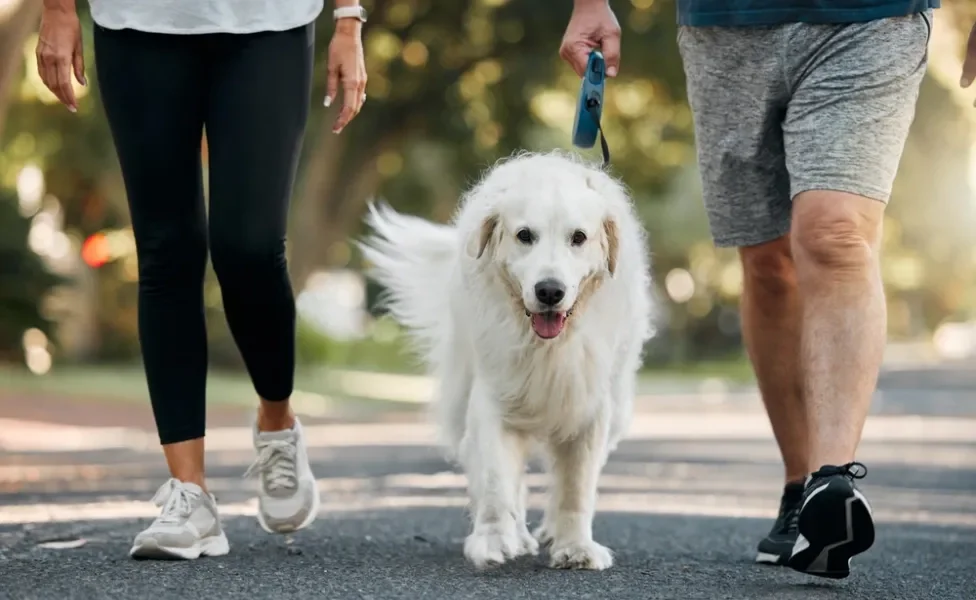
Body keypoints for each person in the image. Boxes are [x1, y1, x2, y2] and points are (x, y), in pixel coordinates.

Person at [560, 0, 967, 580]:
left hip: (873, 19)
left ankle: (832, 483)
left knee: (834, 235)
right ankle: (799, 485)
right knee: (768, 262)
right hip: (726, 26)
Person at [35, 0, 368, 559]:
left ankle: (276, 421)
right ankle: (190, 496)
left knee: (250, 247)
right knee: (167, 250)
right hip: (137, 24)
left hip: (268, 24)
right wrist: (57, 8)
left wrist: (350, 18)